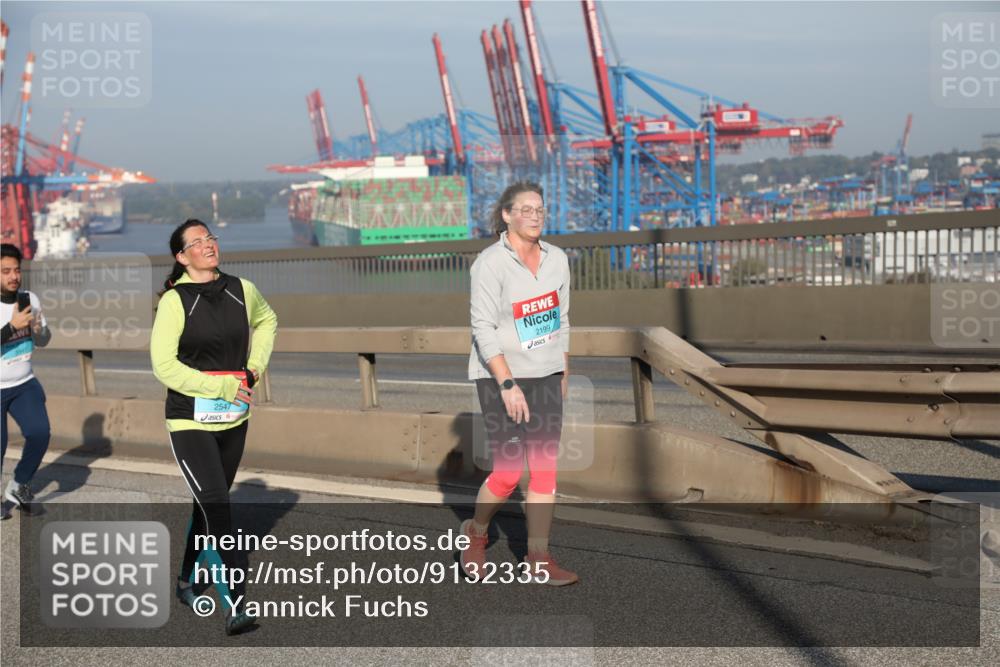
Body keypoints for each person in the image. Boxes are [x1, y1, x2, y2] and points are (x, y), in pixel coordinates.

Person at [150, 219, 277, 634]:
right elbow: (164, 366)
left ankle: (187, 580)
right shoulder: (175, 302)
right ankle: (233, 604)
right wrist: (222, 384)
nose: (208, 245)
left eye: (211, 238)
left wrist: (253, 369)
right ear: (182, 256)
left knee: (206, 506)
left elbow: (269, 321)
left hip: (234, 419)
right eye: (197, 242)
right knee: (219, 504)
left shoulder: (243, 290)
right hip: (189, 419)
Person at [461, 181, 578, 586]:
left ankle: (539, 560)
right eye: (525, 209)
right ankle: (476, 533)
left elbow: (560, 319)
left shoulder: (557, 259)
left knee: (545, 473)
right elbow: (482, 326)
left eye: (540, 209)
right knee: (510, 473)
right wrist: (507, 383)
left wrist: (562, 370)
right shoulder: (490, 263)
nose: (534, 215)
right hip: (501, 376)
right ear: (507, 215)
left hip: (545, 374)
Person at [1, 243, 52, 520]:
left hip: (24, 383)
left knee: (40, 433)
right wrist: (11, 327)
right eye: (5, 271)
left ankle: (18, 486)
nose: (13, 276)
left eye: (17, 270)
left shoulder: (29, 299)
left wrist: (38, 329)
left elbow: (44, 340)